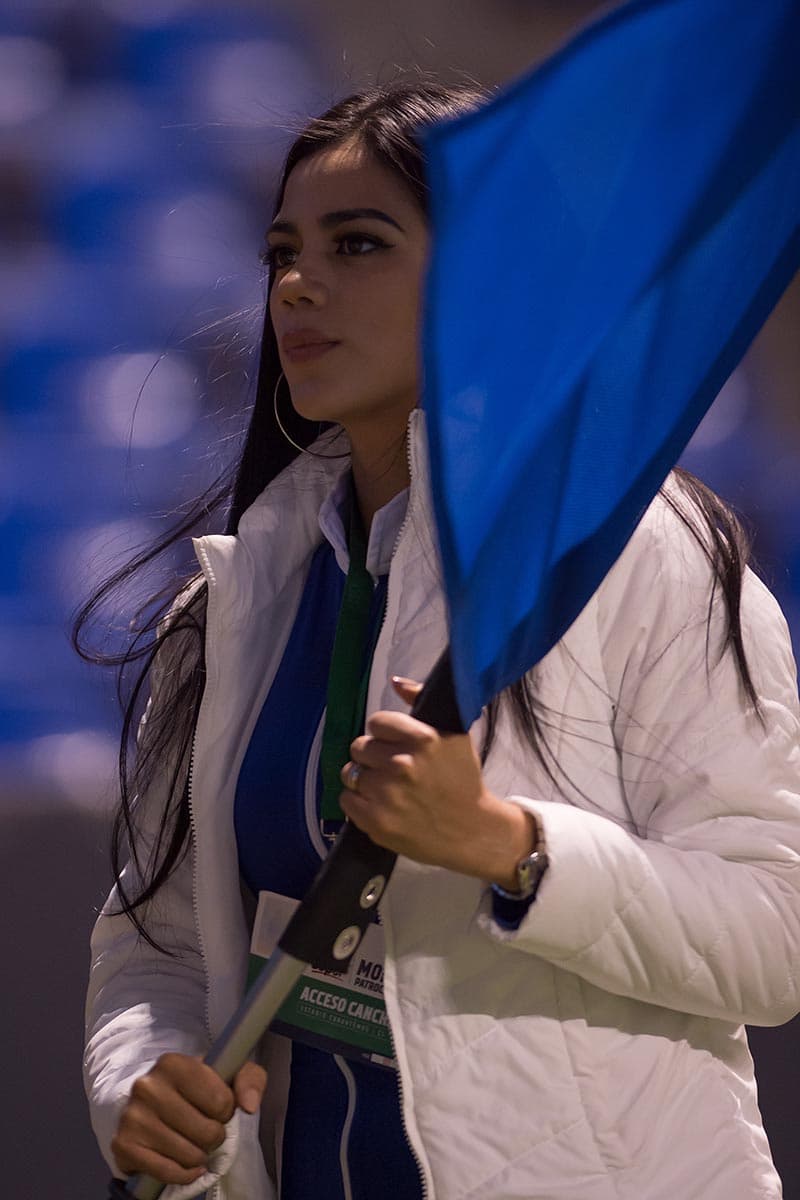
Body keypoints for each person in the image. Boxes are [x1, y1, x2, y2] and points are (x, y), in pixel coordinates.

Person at [81, 82, 800, 1200]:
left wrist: (508, 846)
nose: (295, 285)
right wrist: (142, 1080)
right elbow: (158, 945)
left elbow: (772, 935)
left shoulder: (640, 554)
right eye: (282, 252)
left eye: (358, 244)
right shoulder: (226, 606)